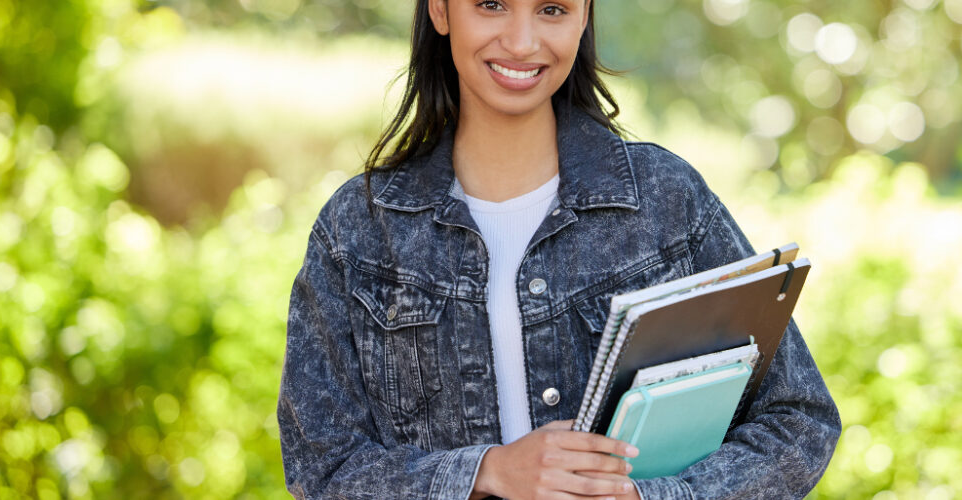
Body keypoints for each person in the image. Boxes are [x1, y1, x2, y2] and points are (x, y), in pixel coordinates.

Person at [277, 0, 841, 498]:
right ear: (441, 11)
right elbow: (320, 465)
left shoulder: (666, 201)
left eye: (553, 9)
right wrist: (487, 473)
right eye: (491, 4)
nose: (523, 42)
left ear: (585, 15)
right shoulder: (358, 228)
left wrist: (656, 497)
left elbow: (799, 420)